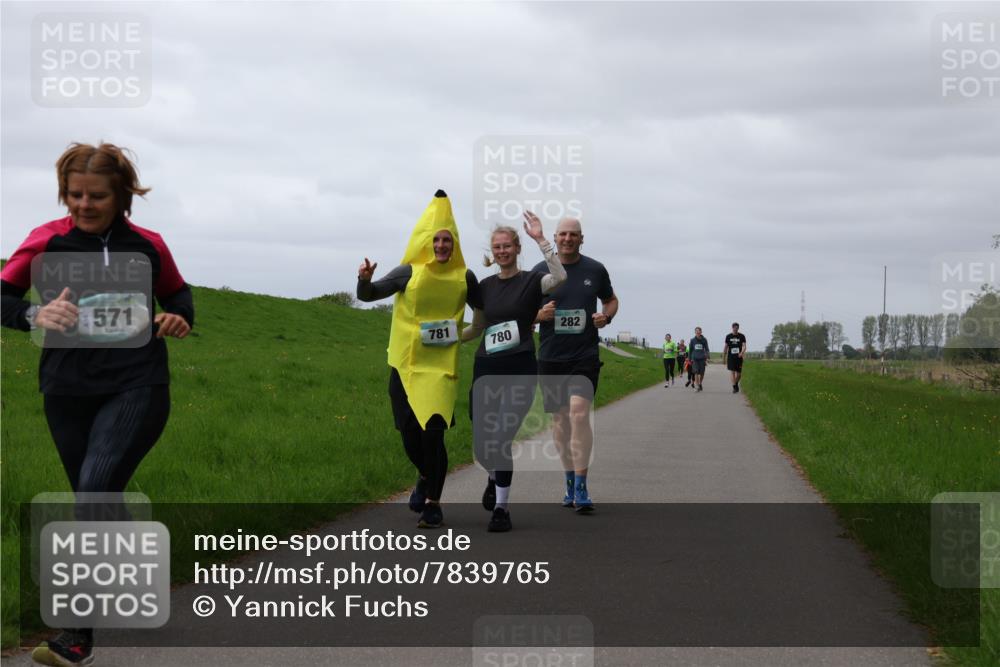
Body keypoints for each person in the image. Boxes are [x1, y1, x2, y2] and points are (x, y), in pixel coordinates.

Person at [1, 142, 194, 667]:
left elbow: (179, 296)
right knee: (97, 497)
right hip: (65, 390)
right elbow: (3, 298)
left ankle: (76, 633)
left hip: (137, 384)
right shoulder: (46, 241)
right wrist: (33, 317)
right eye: (74, 195)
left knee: (92, 493)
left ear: (123, 195)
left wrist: (178, 318)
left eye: (97, 196)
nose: (84, 205)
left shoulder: (149, 245)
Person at [356, 190, 481, 529]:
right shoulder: (407, 273)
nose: (442, 246)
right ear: (426, 241)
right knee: (410, 436)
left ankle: (433, 504)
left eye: (447, 240)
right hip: (405, 365)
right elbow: (368, 296)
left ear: (454, 243)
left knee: (433, 435)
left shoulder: (465, 278)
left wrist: (460, 336)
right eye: (436, 239)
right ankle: (425, 475)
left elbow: (482, 317)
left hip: (440, 370)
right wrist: (363, 280)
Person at [461, 212, 566, 531]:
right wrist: (445, 338)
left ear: (517, 247)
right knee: (482, 442)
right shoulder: (484, 286)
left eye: (507, 245)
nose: (502, 251)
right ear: (492, 252)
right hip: (486, 367)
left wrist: (541, 239)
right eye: (497, 247)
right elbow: (478, 326)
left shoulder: (533, 281)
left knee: (501, 437)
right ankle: (493, 479)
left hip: (519, 368)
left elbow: (559, 277)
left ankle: (502, 510)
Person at [533, 217, 618, 513]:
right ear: (555, 239)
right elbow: (523, 311)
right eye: (563, 234)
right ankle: (569, 479)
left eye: (574, 235)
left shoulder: (595, 269)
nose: (568, 239)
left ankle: (582, 486)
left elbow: (611, 300)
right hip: (551, 355)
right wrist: (538, 315)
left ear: (582, 239)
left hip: (584, 356)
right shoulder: (540, 271)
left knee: (579, 415)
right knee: (560, 421)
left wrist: (605, 317)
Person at [724, 322, 748, 393]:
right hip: (731, 357)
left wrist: (742, 352)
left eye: (737, 328)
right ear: (732, 328)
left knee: (739, 374)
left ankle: (736, 383)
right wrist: (724, 357)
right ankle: (734, 387)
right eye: (735, 328)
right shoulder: (728, 336)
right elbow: (726, 347)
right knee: (732, 372)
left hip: (739, 357)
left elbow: (744, 346)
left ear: (738, 328)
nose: (736, 329)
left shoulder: (742, 336)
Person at [689, 326, 710, 392]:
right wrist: (689, 359)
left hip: (702, 358)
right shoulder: (692, 340)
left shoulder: (704, 340)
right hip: (694, 358)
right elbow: (690, 350)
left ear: (701, 332)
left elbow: (706, 349)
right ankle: (697, 386)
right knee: (696, 372)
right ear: (695, 332)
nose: (698, 332)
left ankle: (700, 383)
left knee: (702, 373)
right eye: (696, 331)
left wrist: (707, 356)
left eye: (699, 331)